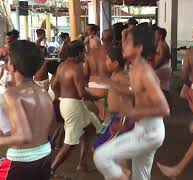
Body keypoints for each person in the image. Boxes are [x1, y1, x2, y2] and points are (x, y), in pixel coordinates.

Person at [94, 25, 169, 180]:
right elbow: (143, 103)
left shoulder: (145, 72)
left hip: (150, 132)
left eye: (127, 42)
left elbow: (164, 108)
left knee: (102, 157)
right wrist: (128, 124)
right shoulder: (135, 69)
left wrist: (133, 113)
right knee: (141, 176)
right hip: (145, 129)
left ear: (139, 48)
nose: (123, 45)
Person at [0, 40, 53, 179]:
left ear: (12, 66)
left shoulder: (12, 94)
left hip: (20, 161)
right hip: (44, 155)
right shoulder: (44, 93)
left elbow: (23, 136)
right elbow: (50, 128)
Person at [50, 40, 101, 175]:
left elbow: (54, 85)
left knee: (90, 129)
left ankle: (82, 164)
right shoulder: (76, 68)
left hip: (68, 104)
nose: (85, 54)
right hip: (73, 106)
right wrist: (97, 98)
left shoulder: (62, 66)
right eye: (83, 52)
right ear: (79, 53)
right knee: (70, 144)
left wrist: (61, 97)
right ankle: (51, 170)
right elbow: (82, 93)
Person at [93, 46, 134, 149]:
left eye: (107, 59)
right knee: (114, 150)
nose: (105, 62)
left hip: (121, 117)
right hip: (115, 117)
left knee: (99, 148)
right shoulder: (116, 73)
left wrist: (108, 81)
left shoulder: (123, 75)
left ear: (115, 63)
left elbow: (131, 90)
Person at [84, 29, 114, 120]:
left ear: (101, 39)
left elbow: (85, 74)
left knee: (94, 121)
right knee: (106, 121)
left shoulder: (90, 54)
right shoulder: (113, 54)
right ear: (113, 40)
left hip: (91, 89)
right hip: (107, 89)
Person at [154, 27, 172, 97]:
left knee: (162, 90)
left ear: (160, 35)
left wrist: (154, 67)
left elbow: (162, 57)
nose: (155, 36)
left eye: (156, 34)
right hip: (163, 68)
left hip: (162, 69)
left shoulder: (162, 44)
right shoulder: (162, 44)